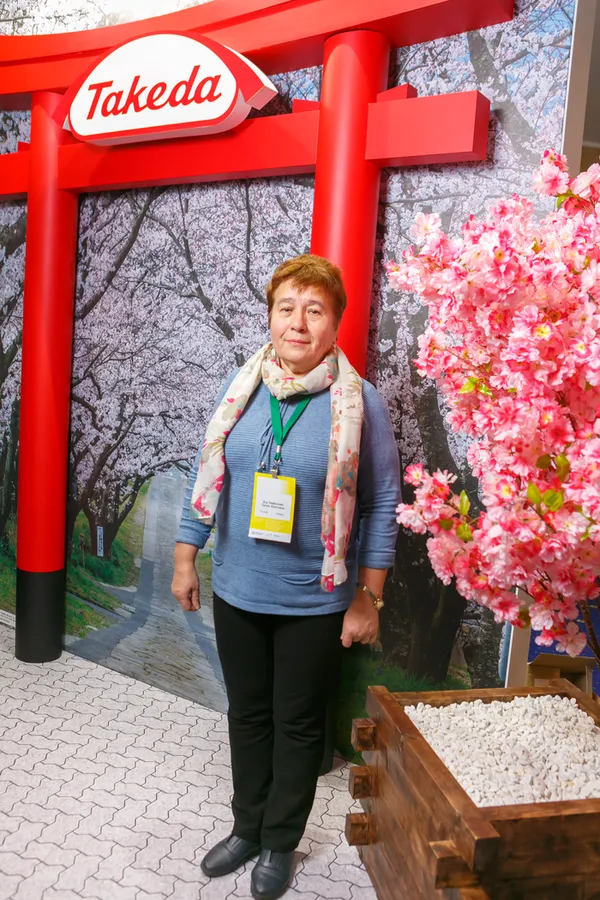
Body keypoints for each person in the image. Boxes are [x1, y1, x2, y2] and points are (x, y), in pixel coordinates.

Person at [172, 254, 400, 900]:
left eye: (314, 310)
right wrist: (186, 556)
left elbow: (383, 502)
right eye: (286, 308)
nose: (298, 322)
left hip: (313, 599)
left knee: (298, 724)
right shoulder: (243, 386)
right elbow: (208, 469)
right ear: (271, 316)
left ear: (335, 323)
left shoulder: (360, 403)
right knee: (247, 714)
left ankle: (279, 841)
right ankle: (247, 827)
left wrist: (368, 596)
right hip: (237, 589)